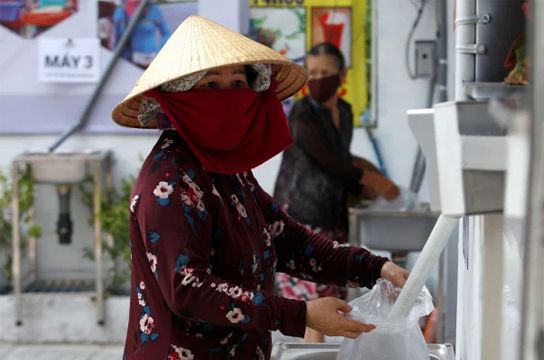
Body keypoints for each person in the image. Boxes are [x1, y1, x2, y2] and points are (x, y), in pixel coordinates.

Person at [112, 16, 409, 360]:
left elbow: (289, 242)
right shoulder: (168, 182)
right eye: (210, 86)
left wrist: (374, 268)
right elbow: (187, 289)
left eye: (238, 83)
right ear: (179, 98)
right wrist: (299, 314)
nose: (227, 97)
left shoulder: (228, 170)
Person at [273, 43, 399, 343]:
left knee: (332, 295)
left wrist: (362, 185)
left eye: (325, 73)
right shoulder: (302, 114)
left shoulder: (344, 110)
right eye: (312, 73)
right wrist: (370, 179)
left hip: (333, 212)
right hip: (301, 212)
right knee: (313, 305)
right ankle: (310, 352)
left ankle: (314, 352)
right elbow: (329, 161)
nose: (317, 79)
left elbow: (342, 160)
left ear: (342, 74)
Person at [113, 0, 171, 68]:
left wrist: (160, 51)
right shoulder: (120, 12)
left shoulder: (154, 10)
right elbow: (116, 41)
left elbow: (166, 33)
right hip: (128, 62)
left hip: (151, 60)